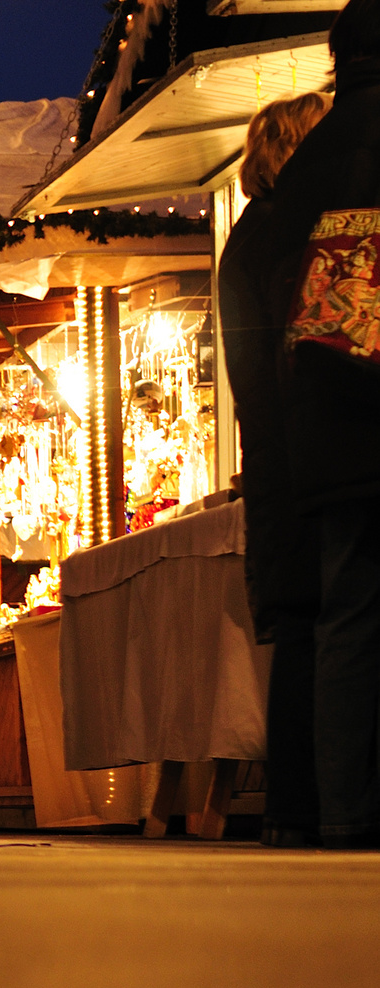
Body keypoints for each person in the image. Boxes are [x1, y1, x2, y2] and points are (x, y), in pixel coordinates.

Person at [258, 0, 380, 848]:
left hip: (330, 428)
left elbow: (273, 309)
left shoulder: (307, 168)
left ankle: (345, 811)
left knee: (350, 613)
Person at [220, 91, 333, 847]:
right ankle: (308, 804)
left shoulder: (244, 241)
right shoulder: (289, 235)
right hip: (305, 456)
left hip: (271, 457)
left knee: (302, 633)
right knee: (317, 632)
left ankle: (295, 806)